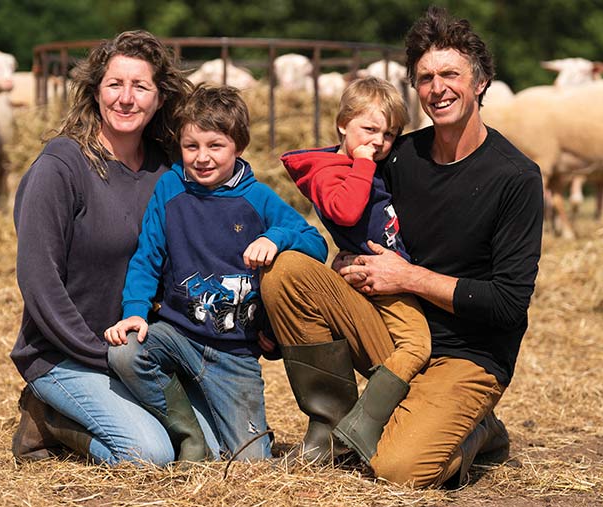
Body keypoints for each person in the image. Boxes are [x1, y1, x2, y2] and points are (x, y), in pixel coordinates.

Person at [260, 6, 544, 488]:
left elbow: (509, 303)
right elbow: (356, 221)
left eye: (451, 74)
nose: (438, 88)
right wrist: (347, 262)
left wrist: (406, 277)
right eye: (426, 77)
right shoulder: (399, 155)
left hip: (468, 354)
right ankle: (334, 424)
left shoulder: (515, 177)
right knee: (286, 272)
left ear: (480, 81)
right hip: (393, 326)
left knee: (398, 469)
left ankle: (477, 430)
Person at [9, 30, 223, 466]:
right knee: (149, 454)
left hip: (139, 353)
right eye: (114, 85)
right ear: (96, 91)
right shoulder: (62, 166)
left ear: (159, 97)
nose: (126, 99)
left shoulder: (169, 170)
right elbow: (38, 279)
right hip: (65, 353)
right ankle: (48, 418)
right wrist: (100, 353)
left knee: (215, 448)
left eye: (140, 86)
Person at [103, 84, 328, 463]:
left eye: (215, 146)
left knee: (251, 463)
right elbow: (147, 256)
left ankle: (223, 427)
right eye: (192, 147)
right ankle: (187, 432)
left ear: (238, 146)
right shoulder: (171, 189)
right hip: (178, 335)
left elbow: (315, 243)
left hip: (235, 354)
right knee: (125, 353)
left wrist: (277, 238)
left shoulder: (258, 199)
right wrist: (135, 312)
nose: (202, 157)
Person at [279, 76, 431, 463]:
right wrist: (362, 165)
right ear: (342, 123)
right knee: (417, 346)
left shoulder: (370, 164)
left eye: (389, 134)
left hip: (395, 275)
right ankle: (360, 423)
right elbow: (344, 211)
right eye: (368, 129)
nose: (377, 141)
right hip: (383, 283)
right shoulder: (332, 170)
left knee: (412, 348)